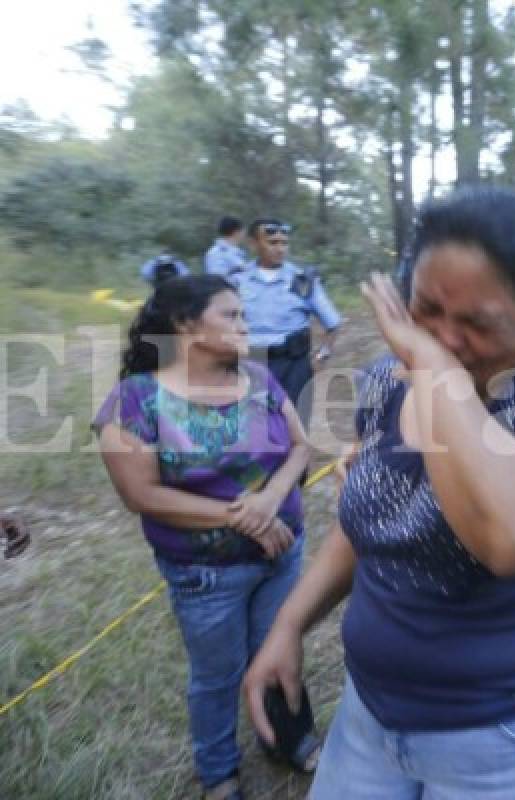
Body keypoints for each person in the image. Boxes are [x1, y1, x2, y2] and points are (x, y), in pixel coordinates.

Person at [243, 187, 515, 799]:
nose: (445, 338)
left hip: (509, 738)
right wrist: (290, 623)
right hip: (373, 715)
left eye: (477, 323)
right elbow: (370, 517)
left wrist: (431, 368)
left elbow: (514, 537)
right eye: (426, 310)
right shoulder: (386, 382)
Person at [93, 276, 312, 800]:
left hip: (283, 553)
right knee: (217, 675)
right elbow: (142, 496)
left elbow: (302, 449)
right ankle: (218, 771)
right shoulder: (135, 401)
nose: (245, 325)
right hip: (205, 575)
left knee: (282, 651)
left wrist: (268, 499)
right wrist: (242, 517)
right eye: (231, 315)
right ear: (186, 325)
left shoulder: (259, 379)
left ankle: (290, 738)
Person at [229, 219, 341, 426]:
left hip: (293, 366)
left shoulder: (302, 280)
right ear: (254, 244)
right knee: (251, 429)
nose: (280, 249)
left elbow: (332, 324)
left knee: (295, 427)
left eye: (284, 243)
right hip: (250, 363)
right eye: (272, 242)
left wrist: (320, 358)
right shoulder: (237, 280)